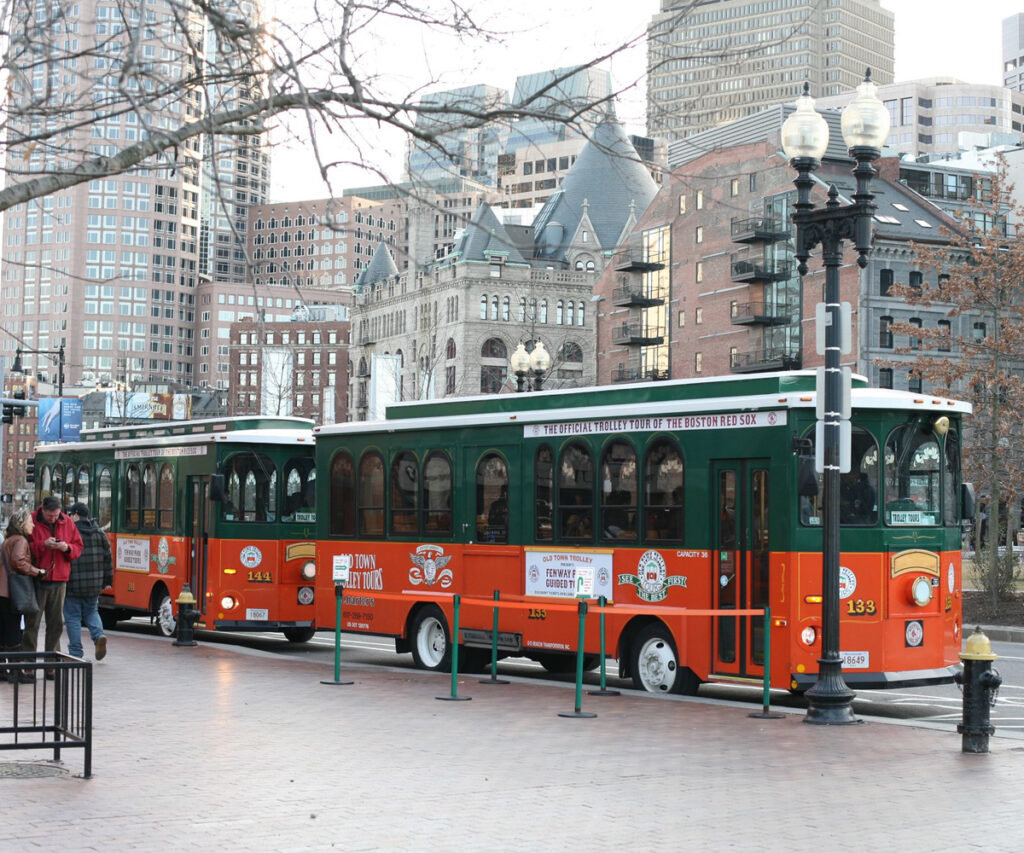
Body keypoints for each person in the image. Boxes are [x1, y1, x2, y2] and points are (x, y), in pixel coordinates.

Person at [22, 496, 83, 675]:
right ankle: (28, 666)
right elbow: (23, 547)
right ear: (43, 510)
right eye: (50, 516)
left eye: (56, 515)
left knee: (56, 623)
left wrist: (67, 548)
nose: (53, 519)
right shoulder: (31, 520)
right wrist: (43, 545)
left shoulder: (68, 522)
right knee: (32, 624)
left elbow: (78, 546)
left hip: (59, 579)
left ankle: (51, 666)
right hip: (37, 579)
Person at [1, 509, 46, 683]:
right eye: (29, 522)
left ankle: (3, 670)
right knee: (14, 633)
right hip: (12, 593)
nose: (33, 524)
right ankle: (16, 671)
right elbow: (18, 561)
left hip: (2, 592)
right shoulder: (20, 540)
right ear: (21, 524)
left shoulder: (8, 540)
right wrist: (37, 571)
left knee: (4, 632)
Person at [64, 502, 112, 661]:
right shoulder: (99, 533)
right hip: (94, 584)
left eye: (71, 514)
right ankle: (99, 636)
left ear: (76, 515)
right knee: (92, 611)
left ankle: (76, 652)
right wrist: (107, 580)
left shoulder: (70, 533)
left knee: (72, 617)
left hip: (73, 584)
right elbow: (107, 558)